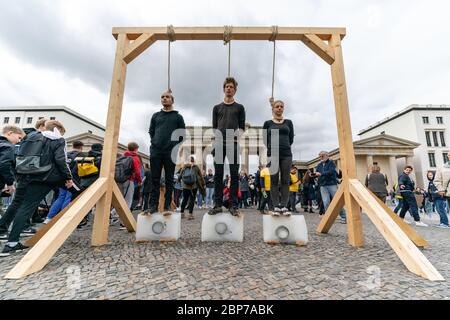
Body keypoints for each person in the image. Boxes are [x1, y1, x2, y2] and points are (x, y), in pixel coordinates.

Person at [0, 120, 73, 256]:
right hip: (43, 178)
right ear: (58, 130)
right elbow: (60, 160)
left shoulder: (31, 136)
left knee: (18, 205)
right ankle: (11, 243)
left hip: (23, 175)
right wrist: (68, 177)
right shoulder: (57, 140)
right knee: (26, 208)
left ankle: (5, 234)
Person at [208, 77, 246, 217]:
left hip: (233, 144)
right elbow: (214, 127)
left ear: (235, 90)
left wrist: (235, 136)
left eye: (231, 87)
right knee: (218, 175)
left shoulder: (240, 107)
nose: (229, 89)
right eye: (227, 86)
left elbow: (242, 127)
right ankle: (217, 204)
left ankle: (233, 205)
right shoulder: (216, 108)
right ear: (224, 89)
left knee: (234, 175)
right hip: (219, 144)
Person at [148, 91, 186, 214]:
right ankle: (153, 206)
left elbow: (182, 135)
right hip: (156, 151)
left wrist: (173, 146)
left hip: (170, 152)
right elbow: (151, 131)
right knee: (155, 179)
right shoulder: (155, 116)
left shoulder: (178, 117)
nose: (164, 99)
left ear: (172, 100)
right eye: (162, 97)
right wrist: (154, 142)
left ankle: (167, 205)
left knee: (169, 179)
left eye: (167, 97)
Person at [262, 100, 294, 216]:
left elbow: (291, 139)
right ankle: (276, 206)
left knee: (285, 180)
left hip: (286, 154)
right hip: (273, 153)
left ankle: (284, 206)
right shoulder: (267, 123)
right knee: (274, 180)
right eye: (277, 106)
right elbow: (265, 140)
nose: (279, 108)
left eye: (281, 106)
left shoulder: (289, 122)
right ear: (273, 109)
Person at [44, 140, 85, 224]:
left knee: (61, 197)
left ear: (73, 145)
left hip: (62, 178)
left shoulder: (66, 154)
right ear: (81, 147)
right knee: (68, 197)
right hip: (74, 180)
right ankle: (63, 218)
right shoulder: (82, 155)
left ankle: (49, 217)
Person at [313, 151, 346, 223]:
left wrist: (321, 174)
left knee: (337, 201)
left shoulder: (331, 163)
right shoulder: (319, 165)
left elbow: (331, 172)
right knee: (326, 202)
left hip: (331, 184)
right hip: (323, 185)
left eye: (322, 156)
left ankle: (344, 216)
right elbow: (317, 173)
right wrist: (315, 174)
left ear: (327, 156)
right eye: (320, 156)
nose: (321, 157)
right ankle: (329, 218)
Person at [0, 125, 25, 199]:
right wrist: (10, 183)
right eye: (19, 137)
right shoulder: (8, 146)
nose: (18, 141)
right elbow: (4, 165)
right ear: (10, 133)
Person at [432, 153, 450, 228]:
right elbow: (437, 180)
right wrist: (441, 189)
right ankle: (445, 223)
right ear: (448, 156)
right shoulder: (442, 167)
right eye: (449, 155)